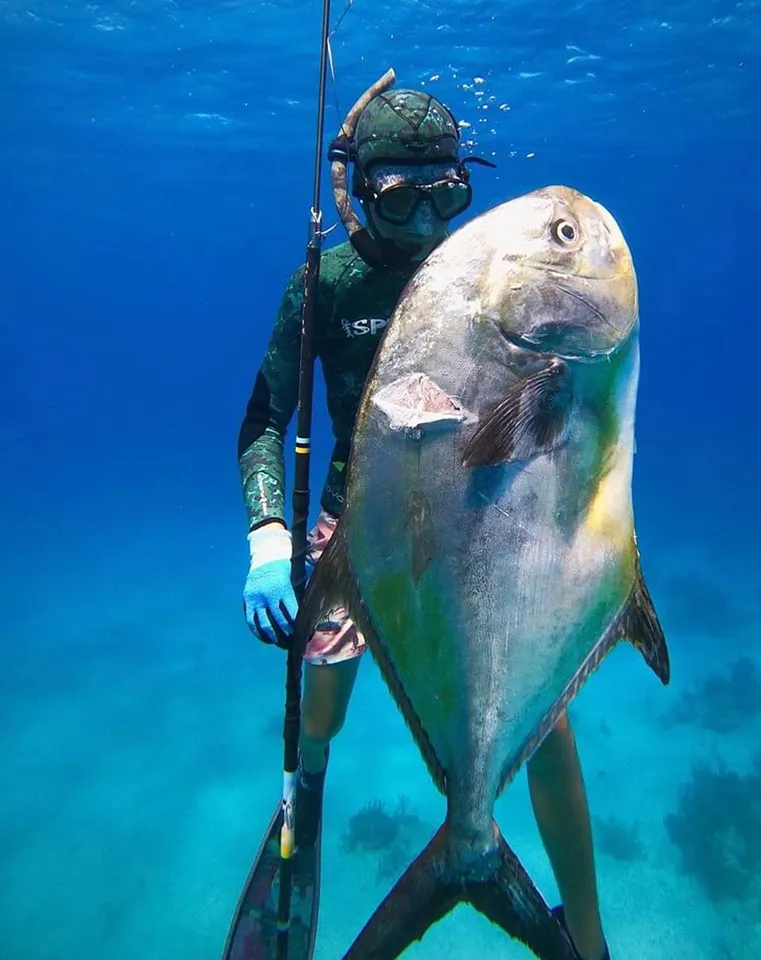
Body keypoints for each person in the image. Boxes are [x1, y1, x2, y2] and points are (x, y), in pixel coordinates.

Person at [237, 85, 611, 960]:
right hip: (354, 526)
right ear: (363, 192)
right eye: (401, 201)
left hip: (477, 525)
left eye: (445, 197)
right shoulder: (325, 285)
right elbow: (263, 420)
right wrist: (267, 535)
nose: (425, 225)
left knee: (545, 721)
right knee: (321, 712)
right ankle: (305, 804)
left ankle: (587, 931)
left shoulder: (489, 270)